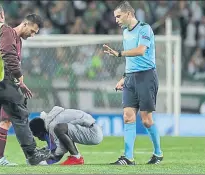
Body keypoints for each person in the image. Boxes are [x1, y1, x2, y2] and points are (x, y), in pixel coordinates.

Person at [0, 2, 49, 166]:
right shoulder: (4, 29)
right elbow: (7, 54)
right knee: (20, 116)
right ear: (2, 15)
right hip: (2, 81)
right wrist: (18, 76)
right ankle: (32, 154)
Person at [103, 1, 163, 165]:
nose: (116, 20)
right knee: (128, 117)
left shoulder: (144, 28)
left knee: (146, 120)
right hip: (130, 77)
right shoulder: (124, 31)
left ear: (129, 14)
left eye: (118, 16)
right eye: (115, 17)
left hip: (146, 77)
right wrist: (124, 77)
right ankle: (128, 157)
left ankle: (158, 153)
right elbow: (131, 60)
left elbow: (141, 51)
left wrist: (119, 53)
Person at [0, 13, 44, 166]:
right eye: (33, 31)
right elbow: (6, 60)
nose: (33, 35)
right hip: (3, 85)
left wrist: (20, 84)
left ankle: (4, 158)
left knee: (8, 121)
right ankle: (24, 157)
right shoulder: (8, 34)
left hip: (9, 85)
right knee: (9, 121)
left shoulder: (18, 41)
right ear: (25, 24)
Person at [28, 106, 103, 165]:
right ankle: (76, 157)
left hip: (93, 133)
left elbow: (61, 149)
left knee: (59, 128)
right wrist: (44, 150)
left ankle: (76, 158)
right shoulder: (51, 120)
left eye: (37, 135)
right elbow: (56, 144)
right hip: (93, 130)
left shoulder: (52, 125)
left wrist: (45, 160)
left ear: (40, 132)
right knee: (61, 130)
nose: (39, 139)